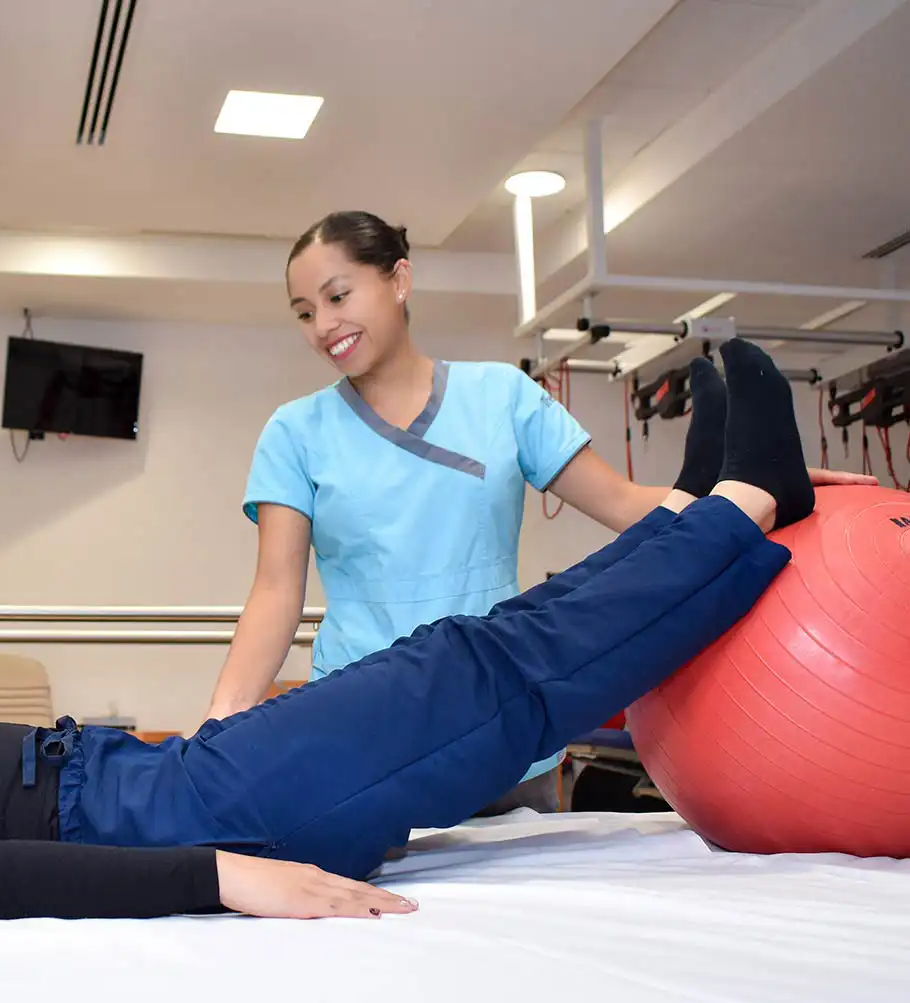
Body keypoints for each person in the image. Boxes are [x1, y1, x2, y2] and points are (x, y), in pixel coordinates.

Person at [0, 341, 849, 923]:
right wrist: (218, 877)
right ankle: (733, 507)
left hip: (141, 778)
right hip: (165, 816)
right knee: (471, 673)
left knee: (460, 664)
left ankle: (708, 513)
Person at [207, 210, 878, 811]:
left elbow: (625, 507)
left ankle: (745, 489)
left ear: (399, 279)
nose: (323, 326)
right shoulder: (295, 432)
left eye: (337, 295)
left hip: (506, 726)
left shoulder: (500, 396)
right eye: (303, 312)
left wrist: (759, 487)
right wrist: (220, 729)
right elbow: (275, 591)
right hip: (363, 729)